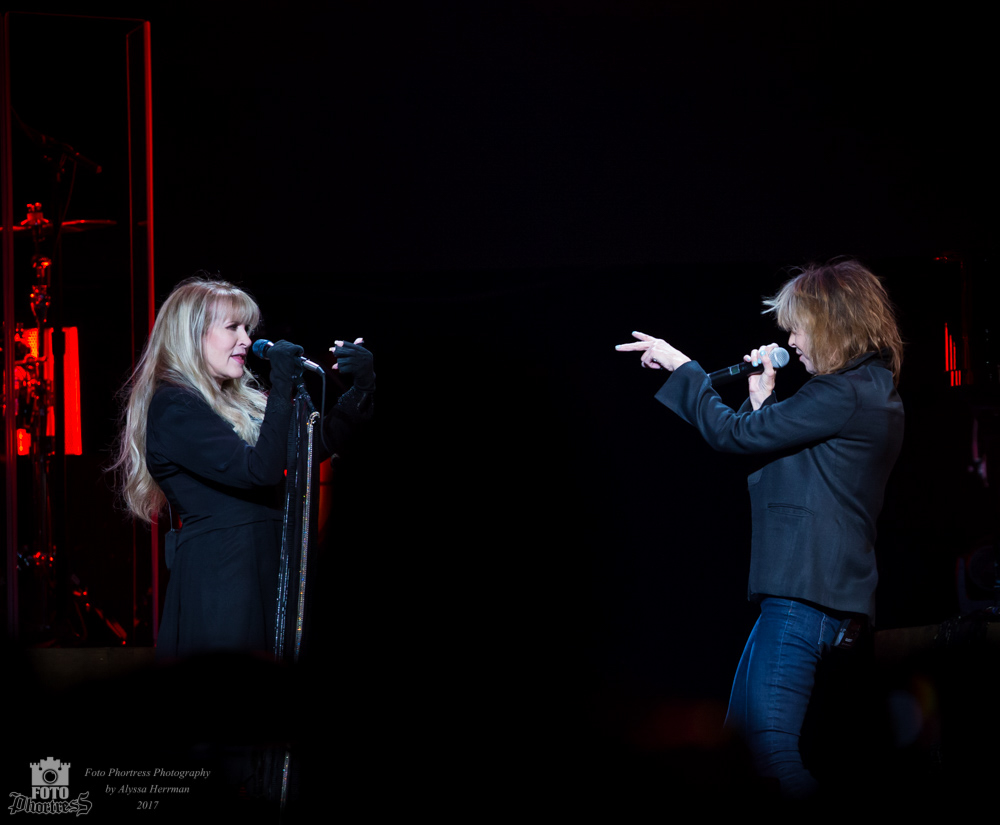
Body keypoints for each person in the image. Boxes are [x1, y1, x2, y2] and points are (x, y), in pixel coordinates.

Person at [615, 258, 903, 797]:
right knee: (742, 744)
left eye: (798, 325)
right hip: (806, 596)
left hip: (806, 599)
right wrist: (762, 400)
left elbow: (732, 438)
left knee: (769, 758)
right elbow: (791, 462)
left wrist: (684, 368)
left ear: (831, 322)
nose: (790, 339)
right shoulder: (865, 391)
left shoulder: (843, 393)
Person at [114, 275, 374, 659]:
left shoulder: (236, 402)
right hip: (225, 578)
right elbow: (260, 471)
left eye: (247, 328)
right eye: (233, 327)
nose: (247, 341)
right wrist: (283, 381)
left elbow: (307, 450)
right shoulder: (174, 406)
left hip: (264, 567)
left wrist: (360, 390)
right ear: (193, 335)